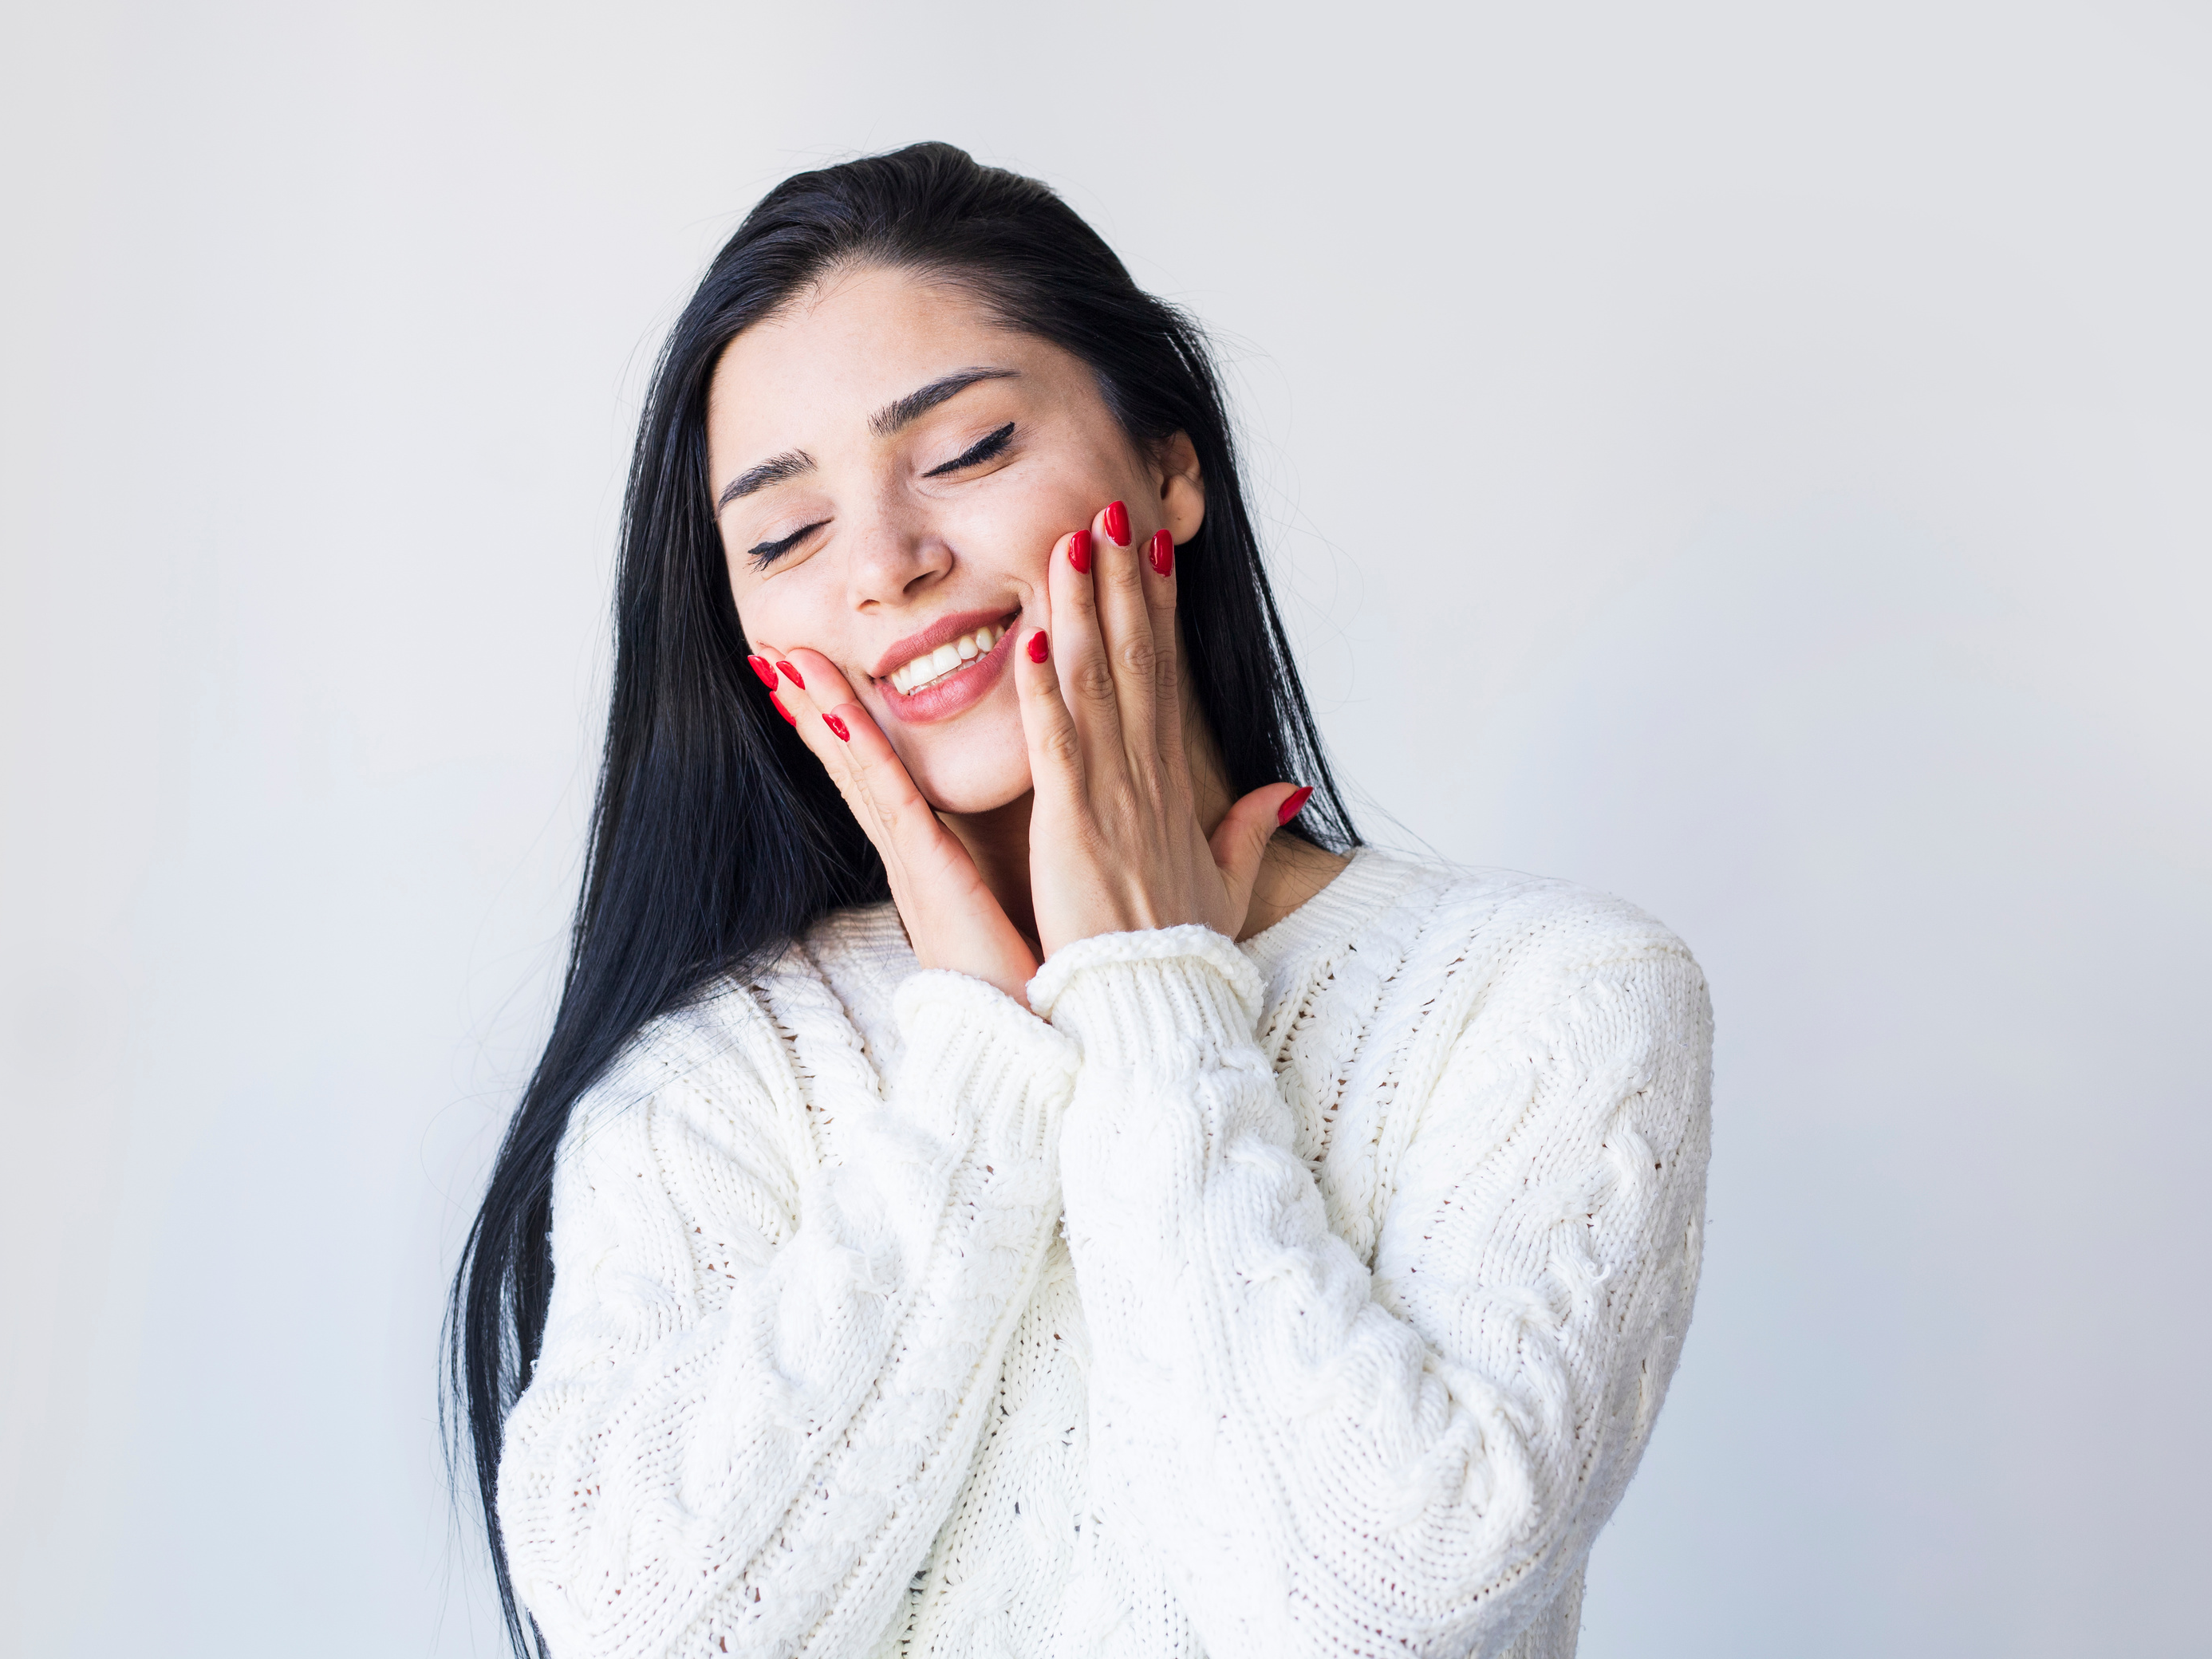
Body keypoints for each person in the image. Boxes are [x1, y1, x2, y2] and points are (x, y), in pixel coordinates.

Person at [449, 142, 1713, 1659]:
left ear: (1168, 471)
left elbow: (1371, 1612)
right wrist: (982, 1055)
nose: (888, 569)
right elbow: (648, 1630)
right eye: (785, 536)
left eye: (968, 451)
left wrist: (1148, 992)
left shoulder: (1544, 999)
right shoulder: (718, 1083)